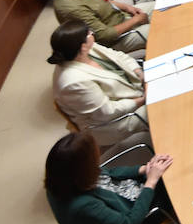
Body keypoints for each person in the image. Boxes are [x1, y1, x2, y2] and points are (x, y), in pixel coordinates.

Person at [45, 131, 174, 224]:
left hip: (124, 199)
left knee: (167, 167)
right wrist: (151, 181)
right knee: (174, 183)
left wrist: (145, 169)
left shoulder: (61, 178)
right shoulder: (82, 207)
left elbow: (105, 173)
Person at [48, 21, 149, 153]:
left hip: (137, 90)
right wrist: (143, 99)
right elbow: (106, 112)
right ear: (82, 46)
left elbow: (119, 56)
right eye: (89, 33)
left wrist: (141, 75)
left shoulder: (87, 48)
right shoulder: (72, 82)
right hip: (112, 122)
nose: (92, 34)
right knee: (162, 105)